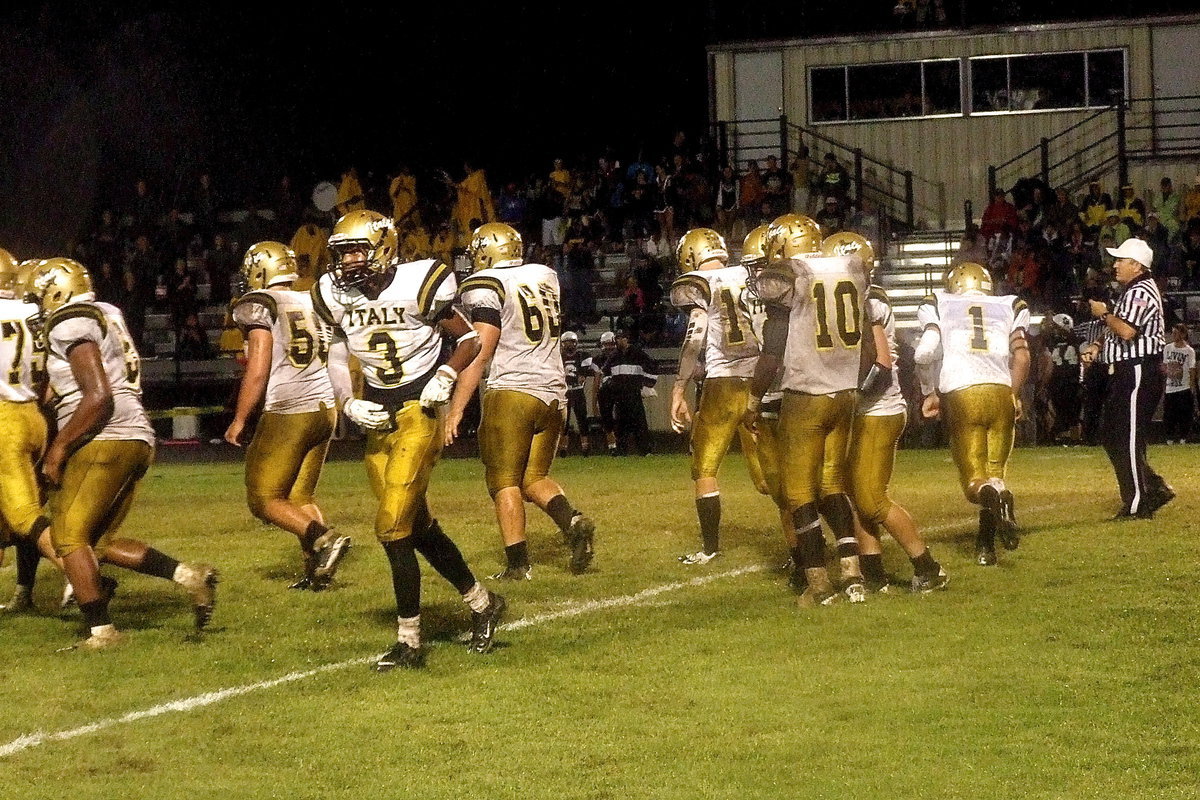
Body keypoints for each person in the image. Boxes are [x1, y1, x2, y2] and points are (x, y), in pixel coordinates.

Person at [312, 210, 504, 669]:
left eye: (357, 250)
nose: (348, 262)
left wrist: (447, 372)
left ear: (382, 248)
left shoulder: (420, 281)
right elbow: (336, 355)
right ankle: (483, 603)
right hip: (378, 416)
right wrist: (346, 401)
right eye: (343, 253)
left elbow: (471, 340)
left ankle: (410, 641)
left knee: (392, 525)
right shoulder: (331, 294)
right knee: (416, 527)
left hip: (420, 408)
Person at [27, 258, 218, 649]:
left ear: (57, 290)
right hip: (135, 434)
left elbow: (97, 395)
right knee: (97, 542)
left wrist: (58, 447)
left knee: (67, 537)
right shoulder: (107, 313)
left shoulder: (69, 320)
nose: (39, 305)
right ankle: (187, 575)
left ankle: (102, 631)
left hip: (104, 434)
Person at [446, 222, 596, 580]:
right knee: (534, 478)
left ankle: (518, 566)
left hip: (512, 389)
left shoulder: (485, 284)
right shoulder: (544, 276)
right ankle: (572, 521)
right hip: (554, 393)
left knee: (503, 482)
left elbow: (480, 350)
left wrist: (456, 407)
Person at [745, 214, 869, 606]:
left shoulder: (791, 274)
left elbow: (772, 352)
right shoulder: (850, 266)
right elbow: (865, 343)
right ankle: (853, 576)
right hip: (844, 393)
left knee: (799, 492)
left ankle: (818, 583)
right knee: (832, 483)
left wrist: (752, 398)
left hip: (806, 394)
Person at [822, 233, 948, 594]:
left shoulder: (867, 298)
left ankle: (929, 567)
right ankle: (874, 572)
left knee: (872, 498)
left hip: (879, 408)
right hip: (864, 410)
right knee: (855, 493)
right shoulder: (849, 298)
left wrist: (847, 394)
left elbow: (881, 365)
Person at [225, 241, 347, 591]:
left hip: (290, 407)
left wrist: (240, 417)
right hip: (324, 408)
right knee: (299, 498)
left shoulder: (258, 303)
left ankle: (324, 538)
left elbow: (259, 366)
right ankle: (317, 572)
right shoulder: (312, 299)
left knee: (263, 499)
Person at [915, 263, 1030, 566]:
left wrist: (929, 390)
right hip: (1000, 390)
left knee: (974, 483)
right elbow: (1022, 356)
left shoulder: (939, 302)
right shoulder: (1009, 304)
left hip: (962, 391)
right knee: (996, 474)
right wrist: (1014, 394)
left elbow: (924, 353)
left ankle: (990, 527)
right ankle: (985, 546)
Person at [668, 228, 766, 565]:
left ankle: (709, 548)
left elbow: (694, 338)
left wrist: (679, 388)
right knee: (772, 475)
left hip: (724, 382)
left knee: (705, 466)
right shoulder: (752, 273)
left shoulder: (699, 283)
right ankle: (804, 550)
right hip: (761, 379)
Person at [1083, 238, 1173, 518]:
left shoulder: (1139, 291)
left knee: (1127, 437)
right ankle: (1152, 487)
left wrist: (1104, 313)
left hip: (1137, 369)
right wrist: (1098, 345)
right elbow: (1120, 329)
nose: (1115, 265)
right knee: (1112, 434)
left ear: (1136, 265)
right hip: (1129, 370)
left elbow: (1126, 331)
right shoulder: (1134, 289)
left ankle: (1137, 502)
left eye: (1121, 260)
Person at [0, 252, 58, 612]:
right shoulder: (36, 315)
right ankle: (24, 591)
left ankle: (86, 574)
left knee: (24, 515)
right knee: (26, 509)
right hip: (37, 416)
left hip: (5, 419)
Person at [559, 331, 598, 455]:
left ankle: (585, 447)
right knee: (564, 421)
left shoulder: (582, 356)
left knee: (582, 419)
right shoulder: (558, 357)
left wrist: (585, 374)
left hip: (577, 390)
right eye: (567, 342)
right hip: (564, 391)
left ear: (576, 343)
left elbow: (597, 370)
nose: (569, 345)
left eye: (571, 342)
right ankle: (563, 448)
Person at [1161, 323, 1196, 445]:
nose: (1173, 335)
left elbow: (1192, 369)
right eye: (1173, 333)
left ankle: (1183, 437)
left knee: (1184, 414)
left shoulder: (1189, 351)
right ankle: (1169, 438)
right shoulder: (1168, 348)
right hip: (1170, 386)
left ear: (1183, 334)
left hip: (1184, 386)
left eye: (1176, 333)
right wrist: (1168, 372)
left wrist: (1191, 386)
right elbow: (1165, 365)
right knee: (1169, 414)